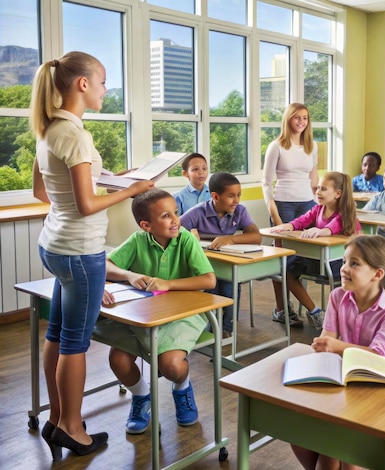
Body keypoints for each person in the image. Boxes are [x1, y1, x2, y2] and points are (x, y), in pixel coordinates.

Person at [30, 51, 154, 460]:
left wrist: (113, 180)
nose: (105, 90)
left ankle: (57, 416)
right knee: (75, 344)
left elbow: (43, 193)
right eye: (102, 82)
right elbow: (85, 205)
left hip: (53, 244)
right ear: (82, 84)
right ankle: (72, 427)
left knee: (57, 334)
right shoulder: (77, 134)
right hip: (81, 252)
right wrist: (132, 191)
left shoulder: (48, 128)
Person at [291, 235, 385, 470]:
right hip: (340, 389)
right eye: (345, 261)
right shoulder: (338, 296)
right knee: (299, 437)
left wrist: (337, 347)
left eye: (354, 264)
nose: (344, 269)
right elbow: (328, 340)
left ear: (377, 274)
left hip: (376, 392)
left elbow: (381, 356)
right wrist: (324, 346)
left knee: (345, 460)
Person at [100, 189, 216, 435]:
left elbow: (209, 280)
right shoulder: (138, 240)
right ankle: (142, 396)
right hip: (142, 315)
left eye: (175, 212)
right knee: (118, 360)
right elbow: (106, 264)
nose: (175, 219)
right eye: (166, 216)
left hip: (183, 313)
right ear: (146, 225)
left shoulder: (185, 239)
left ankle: (182, 389)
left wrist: (169, 284)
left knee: (170, 366)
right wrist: (129, 275)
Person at [270, 172, 360, 330]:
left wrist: (321, 231)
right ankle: (314, 312)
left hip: (338, 263)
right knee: (282, 268)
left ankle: (314, 313)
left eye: (323, 189)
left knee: (285, 269)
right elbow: (302, 220)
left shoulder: (344, 214)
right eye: (318, 187)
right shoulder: (318, 209)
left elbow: (333, 226)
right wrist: (288, 226)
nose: (318, 192)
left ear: (338, 194)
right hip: (319, 258)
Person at [180, 172, 262, 336]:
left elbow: (256, 236)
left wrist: (231, 239)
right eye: (231, 196)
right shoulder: (198, 212)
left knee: (231, 284)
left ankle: (227, 329)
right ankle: (210, 327)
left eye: (239, 195)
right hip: (203, 266)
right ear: (215, 196)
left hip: (228, 264)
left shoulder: (240, 211)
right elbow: (174, 229)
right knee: (212, 288)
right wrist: (189, 236)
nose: (236, 200)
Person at [262, 103, 319, 325]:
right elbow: (266, 183)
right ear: (288, 120)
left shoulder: (311, 146)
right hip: (283, 205)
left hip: (306, 205)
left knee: (301, 261)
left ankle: (303, 306)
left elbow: (313, 180)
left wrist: (318, 207)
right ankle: (281, 309)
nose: (301, 122)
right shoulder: (276, 146)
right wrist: (275, 215)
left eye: (305, 118)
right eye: (297, 118)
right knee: (282, 261)